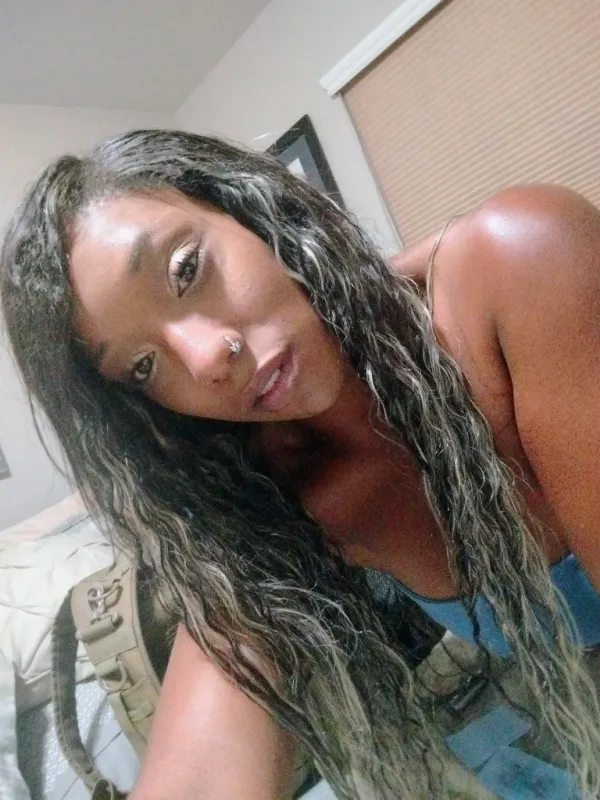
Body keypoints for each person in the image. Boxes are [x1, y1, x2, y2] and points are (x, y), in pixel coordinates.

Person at [2, 128, 600, 800]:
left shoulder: (514, 262)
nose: (207, 360)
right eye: (142, 366)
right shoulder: (279, 499)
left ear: (251, 208)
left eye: (186, 270)